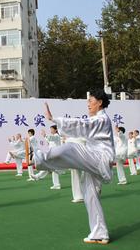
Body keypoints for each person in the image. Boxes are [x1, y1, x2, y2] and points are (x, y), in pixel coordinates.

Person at [31, 90, 114, 245]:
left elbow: (81, 124)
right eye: (87, 101)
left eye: (91, 101)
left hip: (99, 158)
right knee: (90, 195)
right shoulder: (97, 120)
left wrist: (53, 119)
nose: (88, 104)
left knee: (71, 148)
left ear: (100, 102)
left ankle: (40, 159)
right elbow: (83, 130)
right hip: (96, 160)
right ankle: (100, 233)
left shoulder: (101, 119)